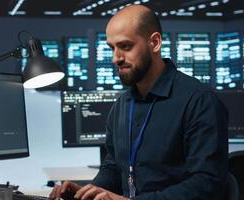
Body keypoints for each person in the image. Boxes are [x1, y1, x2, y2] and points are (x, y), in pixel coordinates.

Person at [50, 4, 228, 200]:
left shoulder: (199, 100)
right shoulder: (122, 105)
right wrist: (90, 191)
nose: (116, 58)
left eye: (125, 46)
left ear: (155, 43)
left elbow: (208, 184)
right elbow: (114, 168)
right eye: (112, 48)